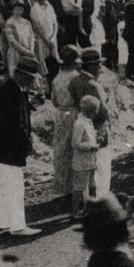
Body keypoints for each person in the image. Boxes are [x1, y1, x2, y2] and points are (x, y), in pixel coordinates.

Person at [0, 56, 41, 237]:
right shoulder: (12, 93)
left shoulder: (9, 90)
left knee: (5, 187)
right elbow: (16, 124)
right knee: (14, 187)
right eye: (31, 78)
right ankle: (18, 226)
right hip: (9, 147)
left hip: (1, 147)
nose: (33, 82)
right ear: (23, 76)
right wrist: (26, 143)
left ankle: (8, 223)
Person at [70, 49, 113, 195]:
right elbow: (102, 110)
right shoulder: (94, 85)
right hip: (98, 127)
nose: (101, 68)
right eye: (99, 64)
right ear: (92, 66)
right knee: (100, 165)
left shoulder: (74, 81)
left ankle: (87, 198)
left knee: (88, 167)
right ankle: (100, 198)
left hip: (83, 125)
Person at [51, 45, 81, 200]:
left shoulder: (57, 77)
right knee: (75, 149)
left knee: (61, 150)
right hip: (74, 113)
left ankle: (63, 188)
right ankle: (75, 187)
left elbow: (54, 100)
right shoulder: (76, 77)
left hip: (61, 114)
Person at [70, 95, 101, 221]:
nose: (96, 113)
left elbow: (89, 136)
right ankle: (75, 211)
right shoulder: (79, 124)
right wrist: (90, 146)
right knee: (79, 187)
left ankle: (93, 208)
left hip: (91, 159)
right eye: (95, 111)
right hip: (81, 160)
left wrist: (97, 138)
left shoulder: (88, 121)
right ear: (90, 112)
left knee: (93, 182)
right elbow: (75, 143)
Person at [30, 0, 60, 83]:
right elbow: (37, 27)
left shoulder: (50, 7)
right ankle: (44, 84)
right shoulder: (34, 9)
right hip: (41, 39)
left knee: (54, 60)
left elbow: (55, 23)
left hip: (52, 38)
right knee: (43, 61)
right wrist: (47, 40)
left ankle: (54, 80)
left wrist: (53, 37)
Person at [3, 0, 36, 77]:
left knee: (29, 75)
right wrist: (24, 51)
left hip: (28, 53)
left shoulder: (27, 22)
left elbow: (32, 37)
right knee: (16, 75)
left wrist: (30, 50)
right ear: (12, 9)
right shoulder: (10, 22)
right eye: (17, 7)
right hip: (16, 52)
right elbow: (12, 40)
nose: (19, 9)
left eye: (21, 7)